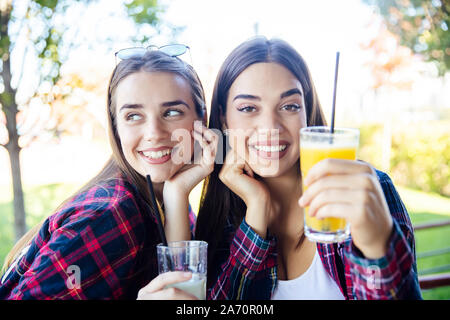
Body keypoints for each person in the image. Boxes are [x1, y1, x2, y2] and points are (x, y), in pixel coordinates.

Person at [195, 36, 422, 300]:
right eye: (248, 108)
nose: (271, 127)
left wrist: (376, 246)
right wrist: (256, 210)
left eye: (289, 106)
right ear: (223, 118)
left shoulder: (366, 191)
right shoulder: (219, 216)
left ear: (307, 112)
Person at [0, 47, 218, 299]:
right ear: (116, 128)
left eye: (171, 112)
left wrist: (176, 195)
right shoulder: (109, 215)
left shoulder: (166, 193)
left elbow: (179, 293)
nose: (154, 132)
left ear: (201, 119)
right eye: (133, 116)